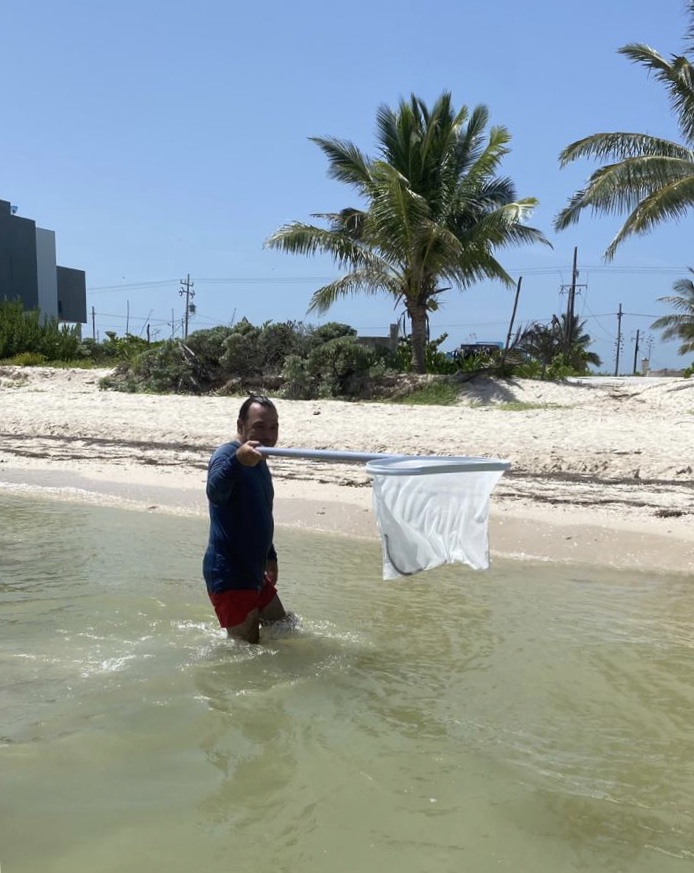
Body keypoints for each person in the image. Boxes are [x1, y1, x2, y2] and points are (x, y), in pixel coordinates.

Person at [203, 395, 290, 643]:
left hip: (253, 570)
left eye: (273, 427)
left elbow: (260, 511)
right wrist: (237, 462)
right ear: (241, 426)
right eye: (259, 426)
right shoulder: (227, 455)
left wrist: (270, 554)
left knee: (285, 628)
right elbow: (215, 493)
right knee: (246, 653)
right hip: (229, 573)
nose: (268, 435)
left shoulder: (259, 460)